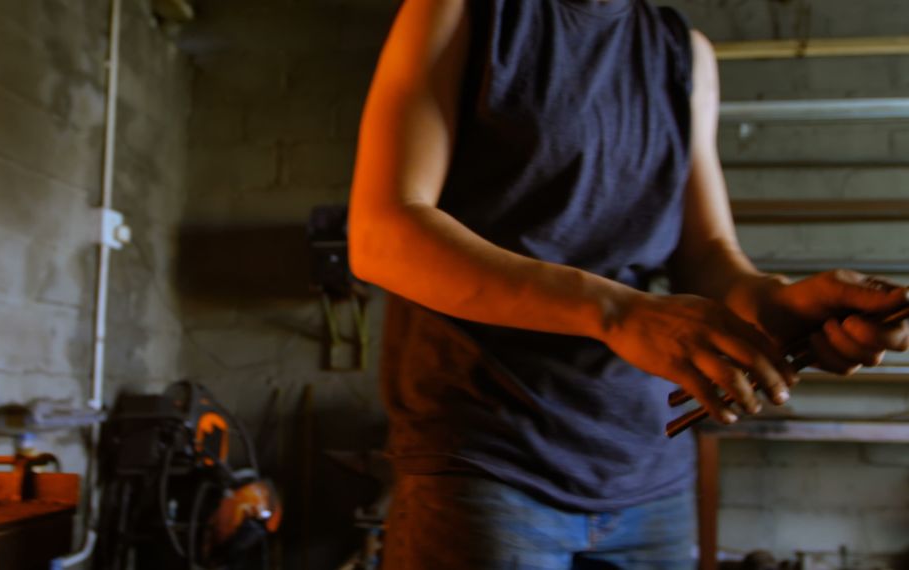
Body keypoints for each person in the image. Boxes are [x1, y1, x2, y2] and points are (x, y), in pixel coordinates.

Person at [346, 1, 909, 569]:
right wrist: (616, 311)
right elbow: (384, 233)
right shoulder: (465, 11)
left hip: (648, 469)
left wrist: (777, 304)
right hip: (490, 463)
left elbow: (709, 255)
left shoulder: (684, 52)